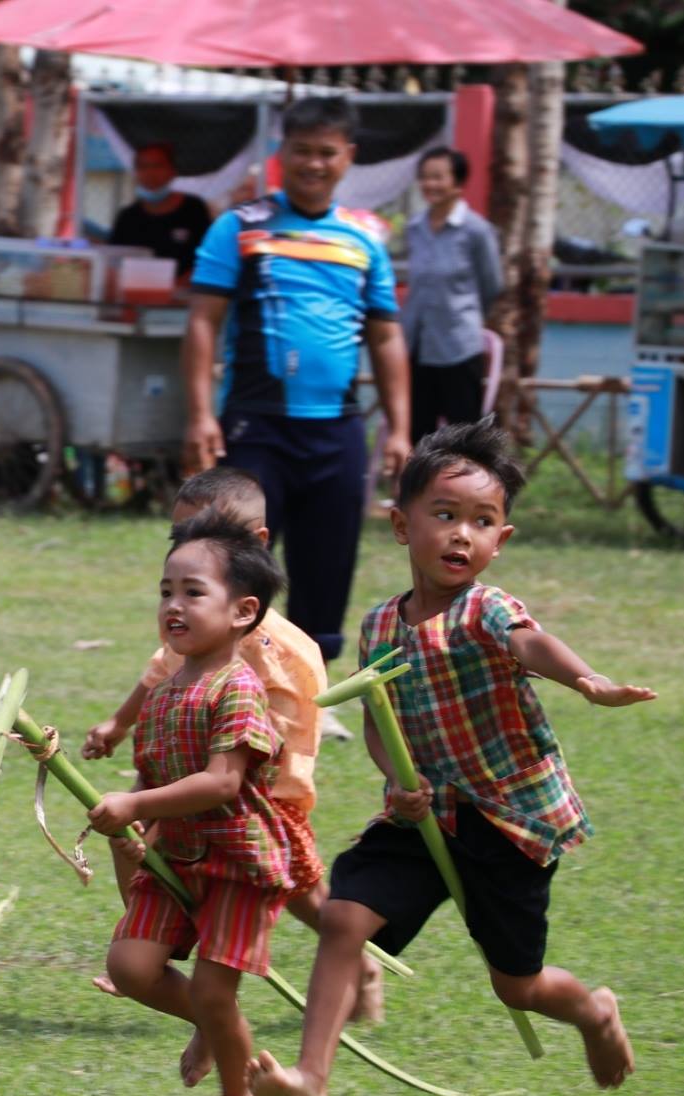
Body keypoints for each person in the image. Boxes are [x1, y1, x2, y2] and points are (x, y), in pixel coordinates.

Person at [249, 419, 650, 1096]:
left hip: (506, 823)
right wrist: (394, 779)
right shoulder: (378, 626)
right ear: (403, 526)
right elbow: (376, 716)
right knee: (343, 917)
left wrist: (586, 680)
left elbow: (533, 645)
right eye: (445, 515)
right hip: (425, 812)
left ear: (502, 538)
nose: (462, 534)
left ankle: (592, 1011)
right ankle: (313, 1078)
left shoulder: (486, 612)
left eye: (482, 521)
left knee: (517, 985)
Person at [83, 466, 384, 1022]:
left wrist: (256, 786)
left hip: (260, 795)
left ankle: (355, 961)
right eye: (182, 536)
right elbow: (158, 674)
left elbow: (293, 729)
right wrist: (119, 723)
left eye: (211, 533)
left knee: (298, 893)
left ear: (258, 541)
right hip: (186, 780)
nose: (194, 549)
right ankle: (150, 943)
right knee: (133, 841)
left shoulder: (277, 649)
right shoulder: (193, 618)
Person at [183, 96, 412, 668]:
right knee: (235, 563)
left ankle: (309, 691)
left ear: (348, 157)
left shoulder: (364, 241)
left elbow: (386, 338)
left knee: (327, 564)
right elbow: (202, 321)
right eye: (302, 151)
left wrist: (400, 428)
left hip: (337, 432)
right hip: (255, 426)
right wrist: (199, 414)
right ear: (281, 153)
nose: (314, 164)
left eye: (327, 153)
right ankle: (217, 682)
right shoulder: (239, 229)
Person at [85, 513, 295, 1096]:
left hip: (234, 862)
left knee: (212, 989)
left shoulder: (238, 689)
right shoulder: (165, 690)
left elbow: (222, 781)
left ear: (242, 612)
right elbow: (154, 775)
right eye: (166, 592)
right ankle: (217, 1026)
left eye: (193, 592)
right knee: (130, 969)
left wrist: (136, 807)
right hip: (172, 854)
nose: (173, 605)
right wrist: (130, 824)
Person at [404, 148, 503, 443]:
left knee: (463, 440)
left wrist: (464, 320)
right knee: (419, 434)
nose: (429, 184)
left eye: (438, 177)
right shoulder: (414, 228)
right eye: (424, 177)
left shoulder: (476, 231)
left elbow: (492, 285)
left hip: (458, 348)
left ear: (458, 183)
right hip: (417, 346)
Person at [107, 142, 213, 276]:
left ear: (173, 171)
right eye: (143, 167)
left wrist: (177, 287)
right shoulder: (127, 217)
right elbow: (114, 262)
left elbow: (208, 258)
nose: (151, 173)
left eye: (158, 166)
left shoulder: (194, 209)